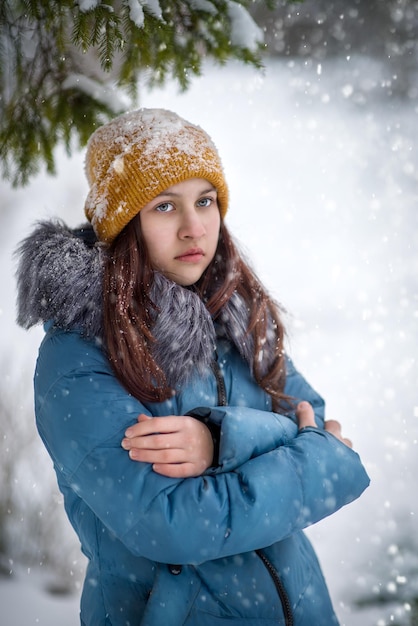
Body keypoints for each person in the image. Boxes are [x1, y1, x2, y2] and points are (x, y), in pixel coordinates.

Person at [15, 108, 369, 626]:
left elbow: (314, 417)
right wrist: (314, 462)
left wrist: (222, 440)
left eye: (205, 201)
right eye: (164, 206)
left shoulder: (233, 313)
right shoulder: (79, 359)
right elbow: (175, 527)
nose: (194, 227)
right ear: (122, 223)